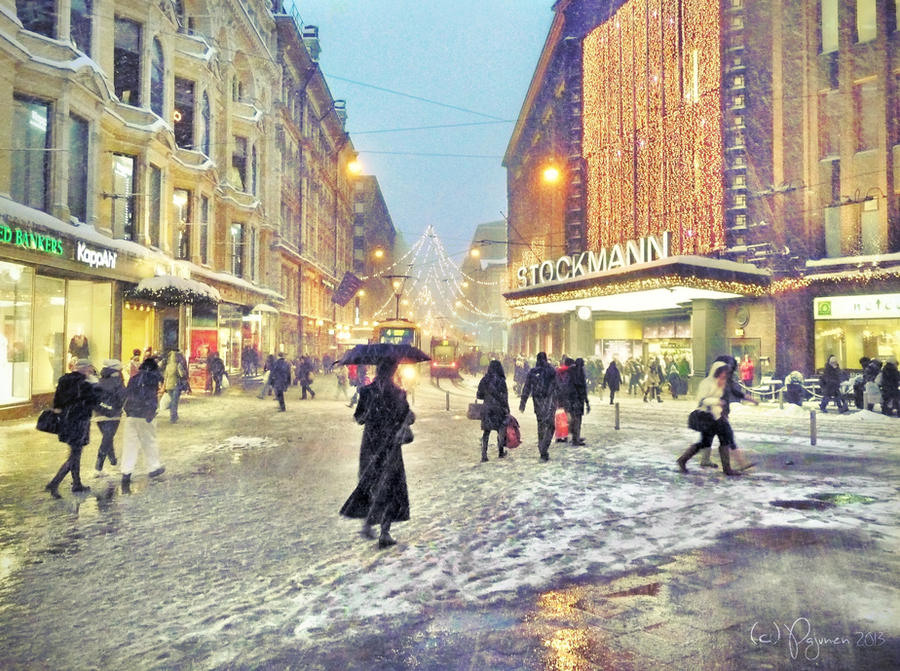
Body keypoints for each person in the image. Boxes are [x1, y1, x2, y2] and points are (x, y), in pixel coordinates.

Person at [340, 358, 414, 548]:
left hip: (371, 445)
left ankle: (367, 523)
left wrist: (370, 413)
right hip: (390, 446)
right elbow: (408, 417)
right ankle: (385, 532)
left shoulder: (367, 391)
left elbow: (359, 418)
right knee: (390, 485)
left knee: (370, 482)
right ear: (393, 371)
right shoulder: (399, 393)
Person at [45, 358, 100, 497]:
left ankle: (76, 483)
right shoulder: (85, 383)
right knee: (75, 454)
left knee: (75, 452)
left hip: (66, 421)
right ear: (85, 368)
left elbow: (57, 400)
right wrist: (94, 384)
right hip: (80, 421)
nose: (90, 370)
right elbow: (93, 401)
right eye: (89, 368)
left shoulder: (64, 380)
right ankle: (55, 483)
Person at [677, 361, 742, 476]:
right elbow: (702, 399)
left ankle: (727, 468)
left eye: (726, 372)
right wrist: (717, 401)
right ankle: (683, 460)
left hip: (717, 416)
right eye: (722, 372)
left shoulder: (720, 383)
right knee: (706, 442)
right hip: (707, 416)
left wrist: (724, 409)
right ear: (717, 371)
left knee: (721, 439)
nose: (724, 374)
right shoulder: (706, 383)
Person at [697, 354, 759, 469]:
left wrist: (747, 397)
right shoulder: (715, 379)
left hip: (717, 413)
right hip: (712, 413)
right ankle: (737, 464)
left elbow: (731, 391)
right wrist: (721, 408)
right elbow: (706, 399)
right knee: (725, 437)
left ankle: (705, 460)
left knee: (709, 438)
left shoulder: (723, 377)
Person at [121, 357, 165, 492]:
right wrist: (151, 411)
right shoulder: (152, 378)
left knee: (130, 444)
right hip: (145, 415)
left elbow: (127, 394)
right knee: (149, 441)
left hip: (131, 414)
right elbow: (151, 396)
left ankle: (126, 472)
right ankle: (153, 467)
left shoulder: (134, 378)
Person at [518, 352, 559, 462]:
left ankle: (541, 447)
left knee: (540, 425)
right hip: (549, 402)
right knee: (550, 426)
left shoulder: (533, 371)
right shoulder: (551, 370)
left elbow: (527, 387)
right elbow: (557, 386)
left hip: (537, 402)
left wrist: (523, 402)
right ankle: (544, 448)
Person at [94, 358, 127, 473]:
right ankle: (98, 466)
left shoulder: (99, 380)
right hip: (113, 415)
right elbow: (122, 396)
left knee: (107, 437)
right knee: (107, 438)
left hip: (99, 414)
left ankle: (113, 461)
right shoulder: (117, 380)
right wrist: (118, 407)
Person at [476, 360, 510, 462]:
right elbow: (504, 397)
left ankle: (484, 454)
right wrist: (506, 408)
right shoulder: (501, 381)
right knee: (500, 430)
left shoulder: (485, 380)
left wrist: (487, 395)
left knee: (486, 432)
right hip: (498, 409)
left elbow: (479, 395)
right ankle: (500, 451)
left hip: (487, 408)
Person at [162, 349, 189, 423]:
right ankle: (173, 416)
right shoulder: (178, 365)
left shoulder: (168, 366)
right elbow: (182, 374)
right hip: (176, 385)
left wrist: (164, 386)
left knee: (172, 401)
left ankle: (174, 415)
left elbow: (165, 376)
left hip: (168, 386)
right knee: (174, 402)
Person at [568, 358, 590, 445]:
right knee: (577, 419)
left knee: (574, 419)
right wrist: (587, 402)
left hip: (572, 399)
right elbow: (583, 388)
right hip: (578, 399)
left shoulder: (571, 372)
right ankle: (575, 439)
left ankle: (575, 436)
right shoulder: (580, 373)